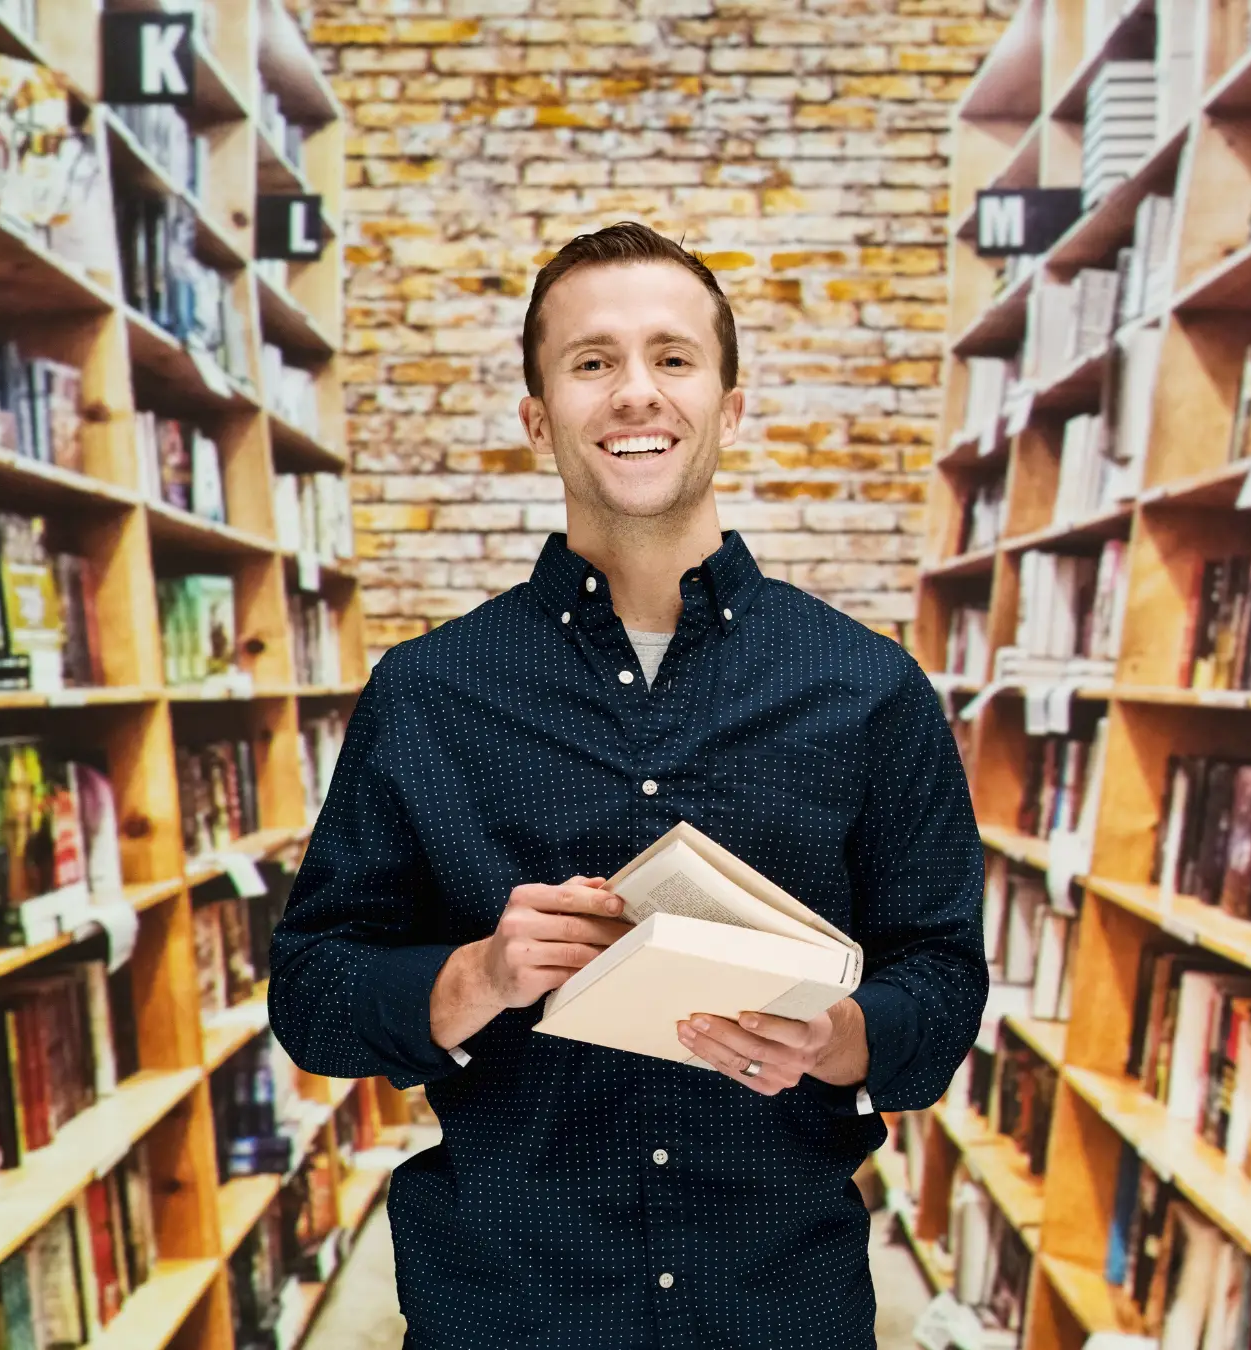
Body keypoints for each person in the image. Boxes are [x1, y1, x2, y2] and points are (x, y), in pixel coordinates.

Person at [268, 221, 988, 1350]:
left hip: (780, 1306)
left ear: (731, 405)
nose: (635, 394)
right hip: (508, 1307)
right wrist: (477, 975)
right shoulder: (427, 691)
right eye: (592, 361)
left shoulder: (869, 689)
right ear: (539, 416)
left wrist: (836, 1035)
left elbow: (943, 985)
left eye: (674, 357)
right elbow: (311, 991)